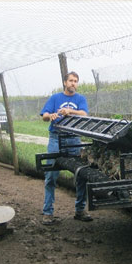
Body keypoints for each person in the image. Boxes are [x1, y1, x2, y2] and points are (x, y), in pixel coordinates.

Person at [39, 71, 93, 225]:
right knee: (51, 176)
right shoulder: (55, 98)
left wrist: (70, 111)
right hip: (56, 139)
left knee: (81, 175)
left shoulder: (80, 99)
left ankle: (80, 210)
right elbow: (44, 116)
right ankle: (48, 213)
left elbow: (84, 114)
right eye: (70, 80)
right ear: (65, 82)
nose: (73, 83)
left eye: (76, 81)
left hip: (74, 140)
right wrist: (51, 116)